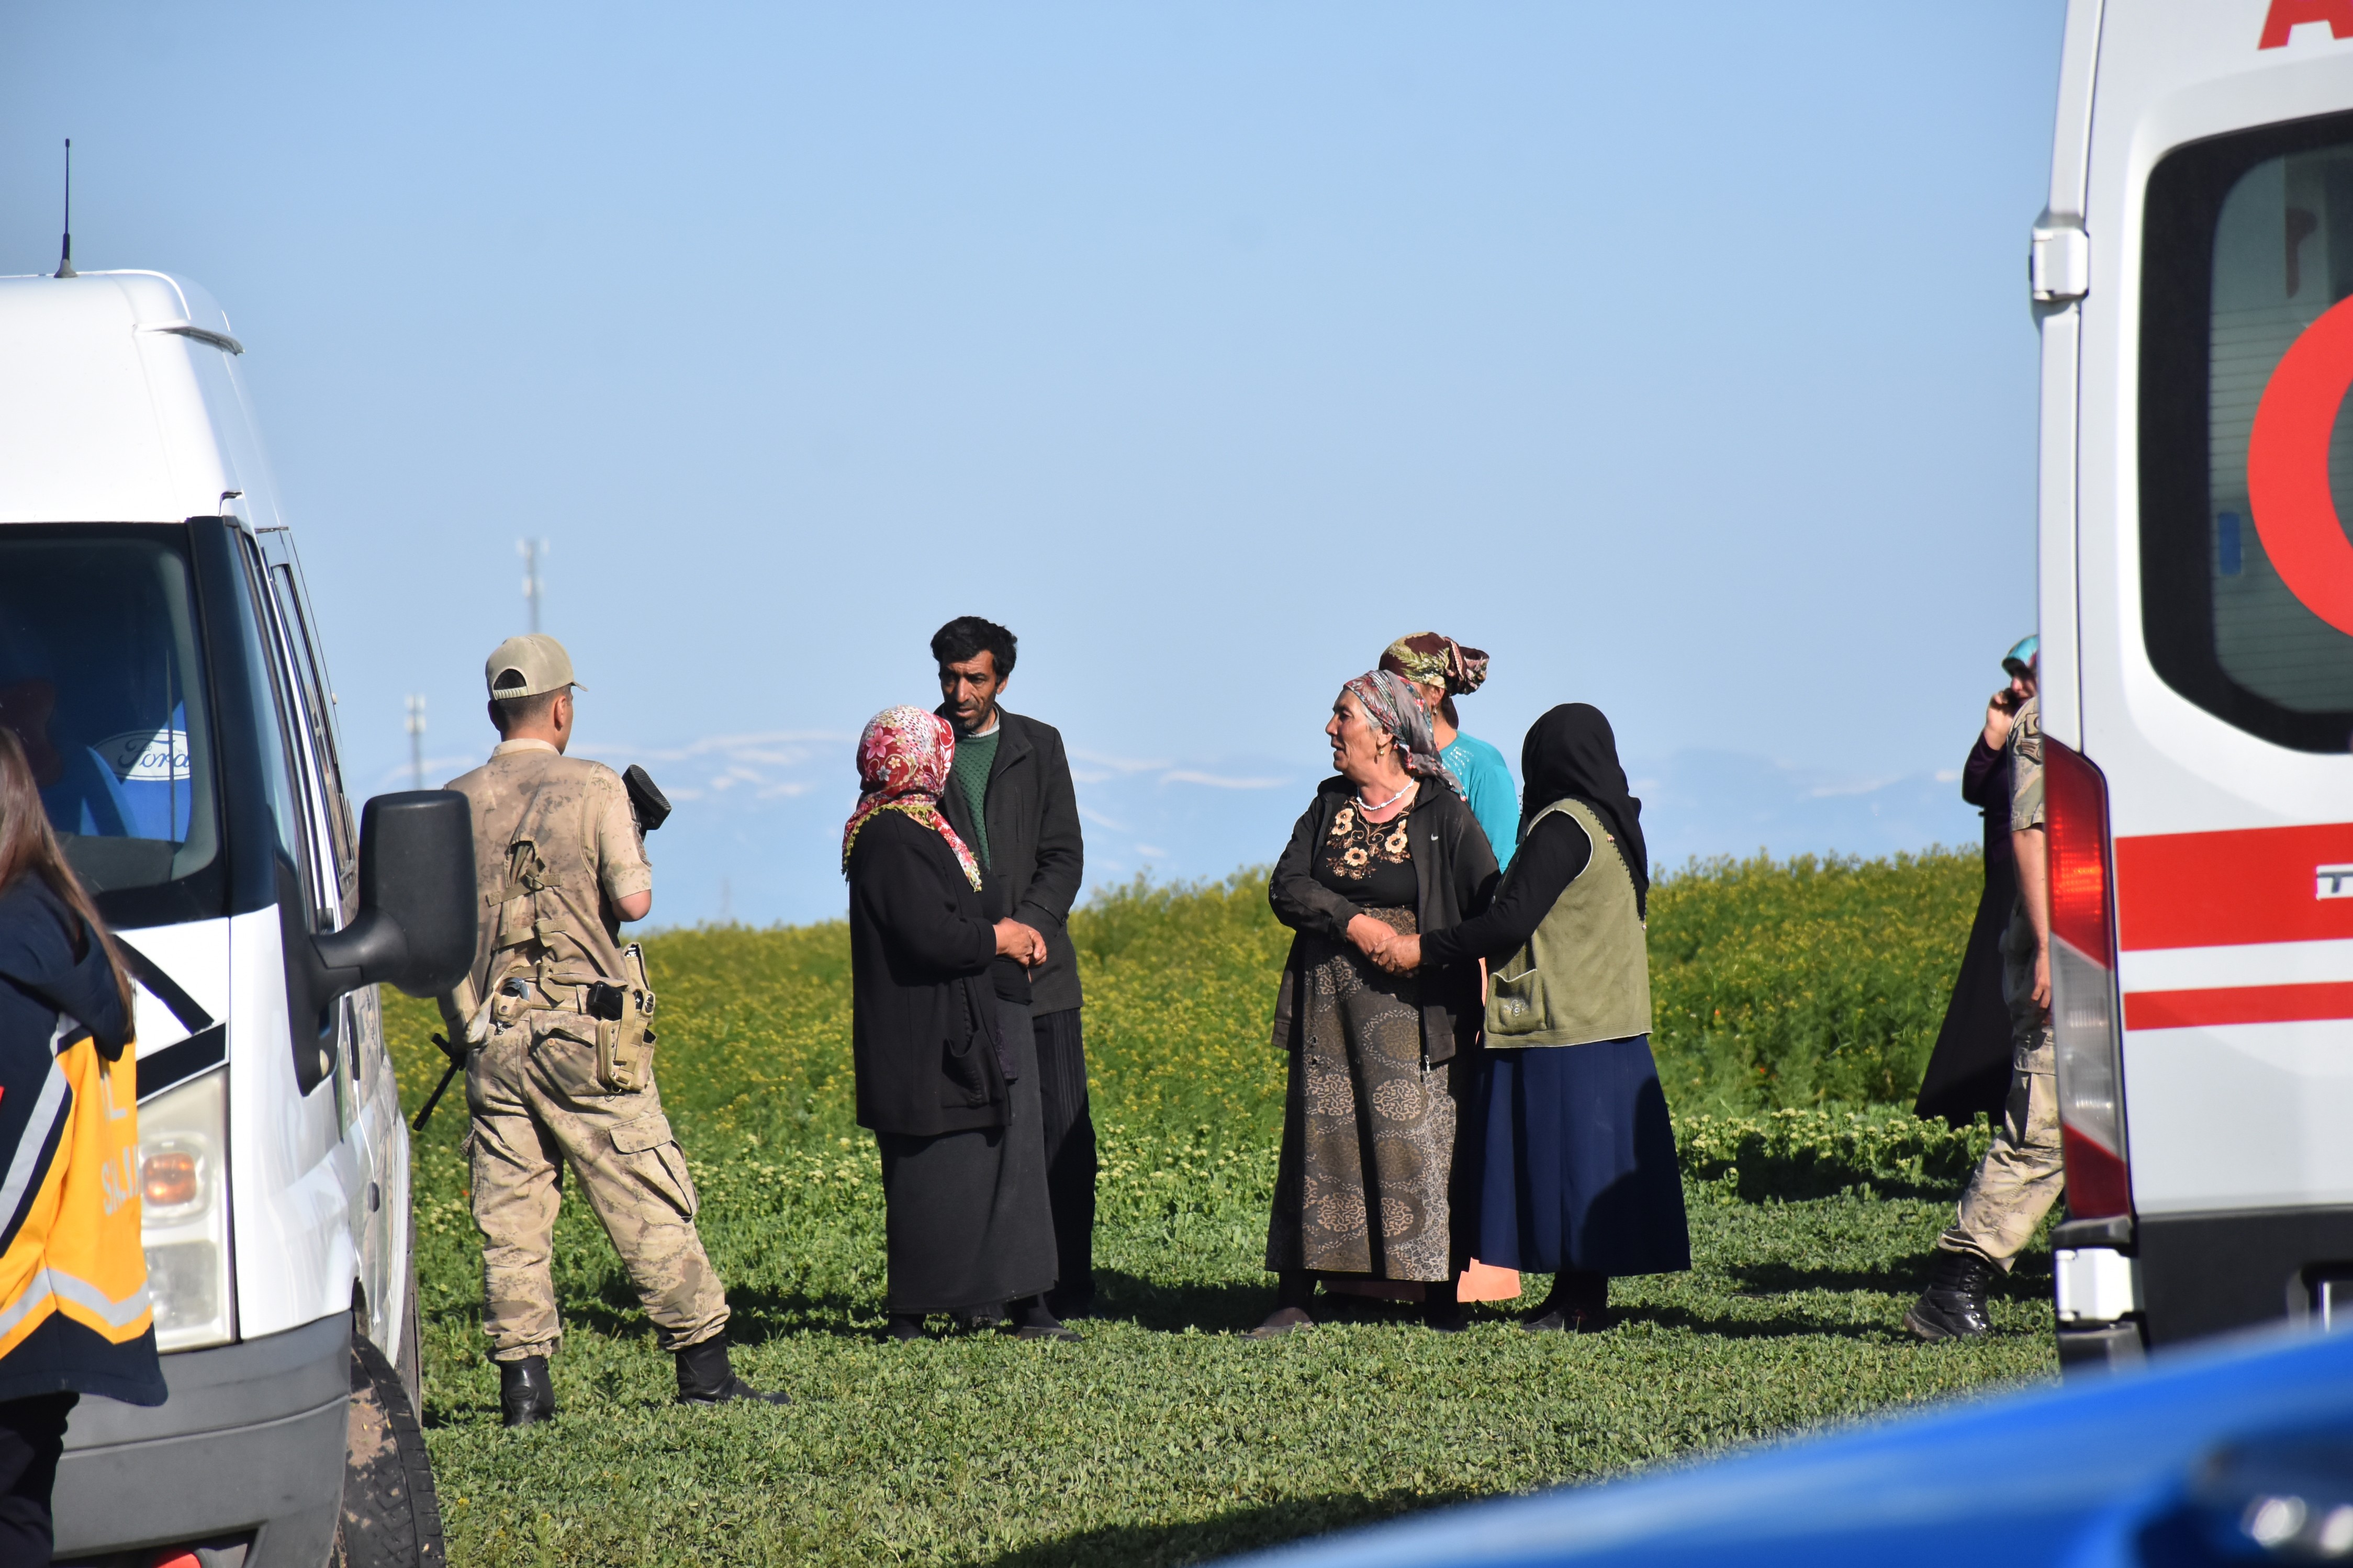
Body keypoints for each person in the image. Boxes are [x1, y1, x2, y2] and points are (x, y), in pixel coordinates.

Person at [439, 634, 786, 1424]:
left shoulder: (452, 801)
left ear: (495, 709)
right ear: (563, 707)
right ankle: (705, 1372)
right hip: (586, 1036)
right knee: (644, 1193)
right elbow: (633, 903)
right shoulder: (593, 785)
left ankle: (524, 1391)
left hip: (493, 1038)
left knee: (512, 1218)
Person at [1383, 703, 1690, 1332]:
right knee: (1585, 1167)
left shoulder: (1561, 827)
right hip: (1607, 1021)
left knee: (1567, 1167)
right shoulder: (1610, 822)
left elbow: (1508, 920)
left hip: (1564, 1025)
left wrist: (1424, 947)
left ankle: (1577, 1303)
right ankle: (1577, 1295)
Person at [1254, 671, 1497, 1338]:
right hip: (1326, 1007)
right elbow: (1286, 887)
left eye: (1342, 718)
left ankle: (1439, 1297)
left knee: (1420, 1142)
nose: (1330, 730)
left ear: (1386, 734)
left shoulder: (1443, 813)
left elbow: (1487, 904)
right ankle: (1296, 1295)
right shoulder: (1330, 802)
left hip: (1417, 1010)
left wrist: (1427, 947)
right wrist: (1354, 923)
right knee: (1319, 1143)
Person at [844, 705, 1072, 1342]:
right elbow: (929, 935)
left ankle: (1021, 1304)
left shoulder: (921, 826)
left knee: (992, 1159)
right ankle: (913, 1315)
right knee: (933, 1173)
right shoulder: (891, 835)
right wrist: (999, 936)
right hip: (923, 1032)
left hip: (958, 1019)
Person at [0, 727, 165, 1565]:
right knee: (19, 1521)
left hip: (14, 1306)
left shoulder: (10, 960)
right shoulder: (61, 933)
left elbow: (16, 1154)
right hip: (55, 1313)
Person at [929, 616, 1097, 1318]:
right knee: (977, 1138)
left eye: (976, 678)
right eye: (950, 677)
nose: (961, 691)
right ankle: (984, 1292)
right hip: (962, 975)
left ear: (1002, 680)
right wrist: (982, 938)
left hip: (1044, 975)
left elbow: (1065, 854)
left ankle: (1069, 1286)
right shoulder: (921, 748)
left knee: (1062, 1135)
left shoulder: (1039, 744)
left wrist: (1031, 928)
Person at [1906, 645, 2064, 1340]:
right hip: (2057, 946)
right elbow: (2024, 829)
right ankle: (1956, 1283)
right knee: (2046, 1120)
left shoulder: (2078, 715)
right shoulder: (2043, 723)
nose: (2014, 684)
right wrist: (2053, 943)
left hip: (2076, 939)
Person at [1915, 637, 2037, 1127]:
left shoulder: (2050, 731)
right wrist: (1993, 732)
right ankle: (1982, 1106)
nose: (2012, 685)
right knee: (1992, 993)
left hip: (2027, 877)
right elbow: (1976, 787)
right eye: (2010, 674)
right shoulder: (2016, 728)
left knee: (2007, 996)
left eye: (2022, 675)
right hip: (2003, 880)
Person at [1380, 633, 1519, 867]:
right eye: (1382, 689)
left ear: (1435, 693)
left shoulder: (1483, 766)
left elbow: (1501, 865)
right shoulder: (1382, 759)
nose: (1385, 699)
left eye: (1398, 689)